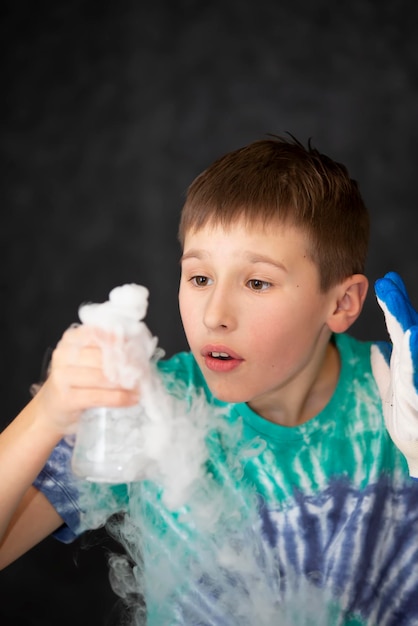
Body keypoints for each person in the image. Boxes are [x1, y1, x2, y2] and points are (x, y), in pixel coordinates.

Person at [1, 136, 418, 625]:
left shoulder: (401, 399)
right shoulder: (150, 406)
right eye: (200, 278)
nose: (215, 315)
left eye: (257, 282)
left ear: (342, 303)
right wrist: (48, 411)